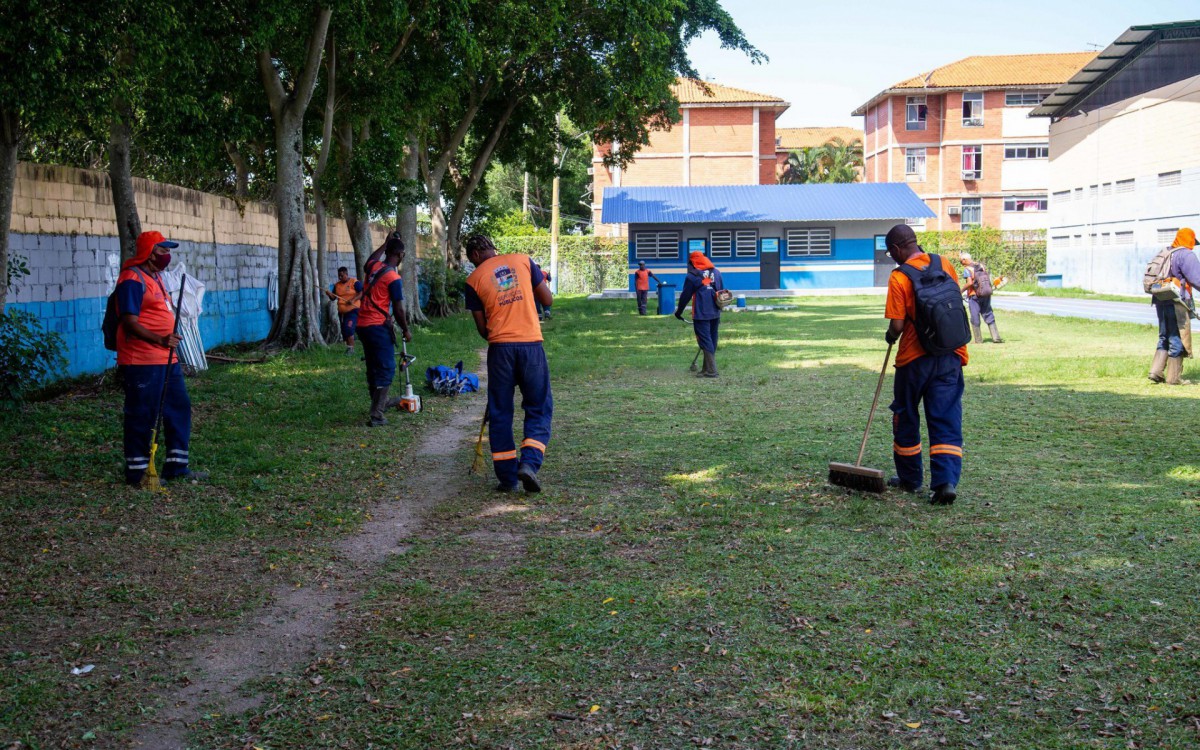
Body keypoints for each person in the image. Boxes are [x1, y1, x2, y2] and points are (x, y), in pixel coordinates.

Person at [883, 224, 968, 506]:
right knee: (945, 417)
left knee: (906, 415)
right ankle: (945, 482)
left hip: (914, 360)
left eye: (891, 252)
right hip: (950, 353)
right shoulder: (943, 262)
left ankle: (910, 478)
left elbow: (897, 324)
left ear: (896, 250)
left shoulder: (899, 277)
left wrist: (890, 336)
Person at [464, 234, 554, 493]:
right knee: (538, 406)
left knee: (501, 411)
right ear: (493, 248)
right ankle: (530, 463)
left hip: (500, 350)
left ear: (474, 255)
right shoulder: (524, 261)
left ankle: (507, 477)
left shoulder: (473, 280)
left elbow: (482, 328)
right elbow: (547, 301)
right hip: (531, 347)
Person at [116, 230, 204, 486]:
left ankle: (177, 466)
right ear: (150, 253)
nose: (168, 256)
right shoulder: (131, 279)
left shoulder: (155, 277)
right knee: (142, 413)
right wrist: (160, 339)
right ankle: (138, 472)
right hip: (142, 360)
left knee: (179, 406)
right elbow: (129, 322)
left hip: (167, 360)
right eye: (164, 251)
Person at [357, 233, 412, 426]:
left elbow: (370, 260)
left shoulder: (373, 267)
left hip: (362, 326)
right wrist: (405, 329)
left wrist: (385, 243)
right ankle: (377, 414)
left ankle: (379, 403)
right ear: (401, 255)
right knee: (386, 368)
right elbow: (398, 308)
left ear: (387, 251)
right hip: (377, 327)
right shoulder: (393, 277)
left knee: (373, 366)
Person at [1149, 228, 1200, 385]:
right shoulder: (1186, 255)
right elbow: (1197, 279)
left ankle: (1156, 371)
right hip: (1177, 301)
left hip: (1160, 297)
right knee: (1177, 335)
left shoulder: (1166, 252)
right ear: (1189, 239)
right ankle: (1173, 378)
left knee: (1164, 335)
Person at [674, 251, 724, 378]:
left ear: (692, 262)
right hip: (715, 312)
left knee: (704, 339)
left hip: (701, 313)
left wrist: (679, 312)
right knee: (712, 339)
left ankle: (712, 370)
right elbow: (721, 291)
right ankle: (705, 369)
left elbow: (685, 296)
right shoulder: (716, 272)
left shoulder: (692, 276)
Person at [959, 252, 1002, 344]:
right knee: (988, 313)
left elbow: (970, 283)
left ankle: (978, 340)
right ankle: (996, 337)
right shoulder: (981, 265)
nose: (961, 264)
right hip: (986, 293)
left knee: (975, 316)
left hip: (974, 295)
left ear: (964, 260)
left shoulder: (967, 269)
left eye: (961, 262)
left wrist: (961, 291)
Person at [324, 266, 363, 354]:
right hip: (342, 312)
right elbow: (333, 298)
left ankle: (351, 349)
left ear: (346, 274)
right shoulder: (337, 285)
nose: (340, 277)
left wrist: (353, 300)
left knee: (348, 328)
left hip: (353, 310)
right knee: (344, 331)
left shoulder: (354, 282)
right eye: (339, 276)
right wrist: (329, 294)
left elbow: (361, 293)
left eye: (342, 275)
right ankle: (349, 347)